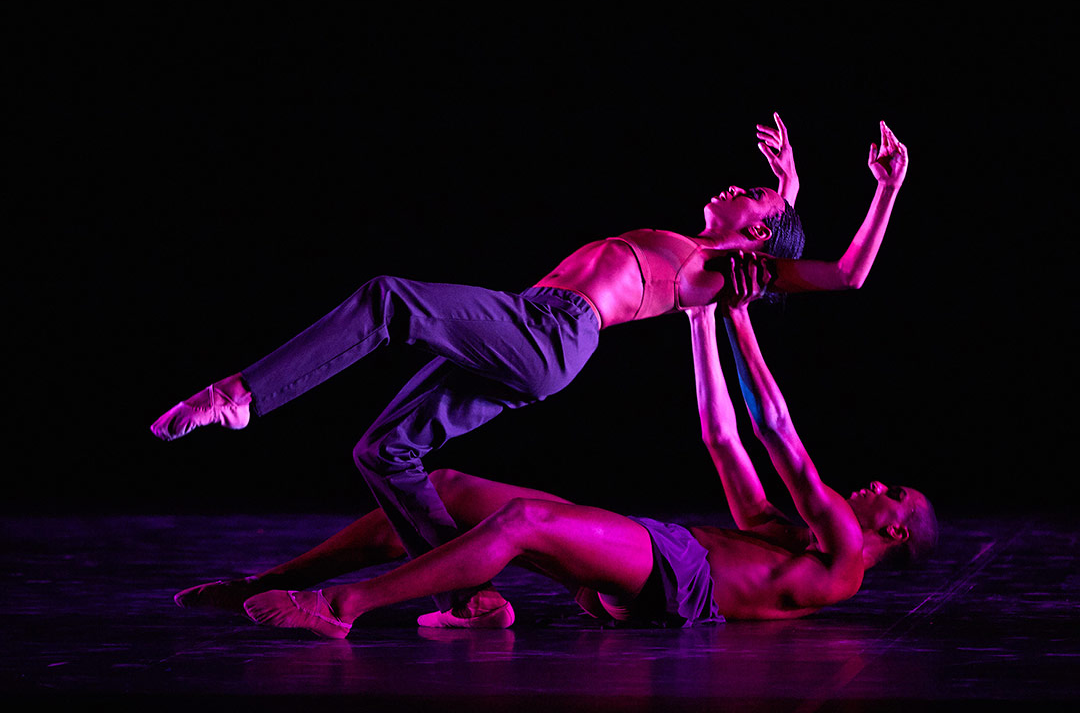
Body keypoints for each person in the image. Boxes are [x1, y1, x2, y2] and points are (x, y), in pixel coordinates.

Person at [153, 115, 909, 624]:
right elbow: (768, 239)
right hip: (532, 323)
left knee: (389, 300)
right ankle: (476, 601)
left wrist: (884, 187)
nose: (731, 189)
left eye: (749, 196)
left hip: (549, 334)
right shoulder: (710, 253)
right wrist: (790, 186)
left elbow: (842, 273)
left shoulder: (716, 272)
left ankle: (240, 395)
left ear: (757, 238)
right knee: (384, 452)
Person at [179, 253, 936, 638]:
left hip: (678, 583)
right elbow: (722, 434)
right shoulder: (787, 537)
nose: (874, 485)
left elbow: (778, 434)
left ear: (895, 530)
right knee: (435, 485)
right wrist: (704, 323)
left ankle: (341, 605)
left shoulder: (842, 563)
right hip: (655, 556)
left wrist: (742, 319)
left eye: (891, 493)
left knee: (520, 525)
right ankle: (263, 582)